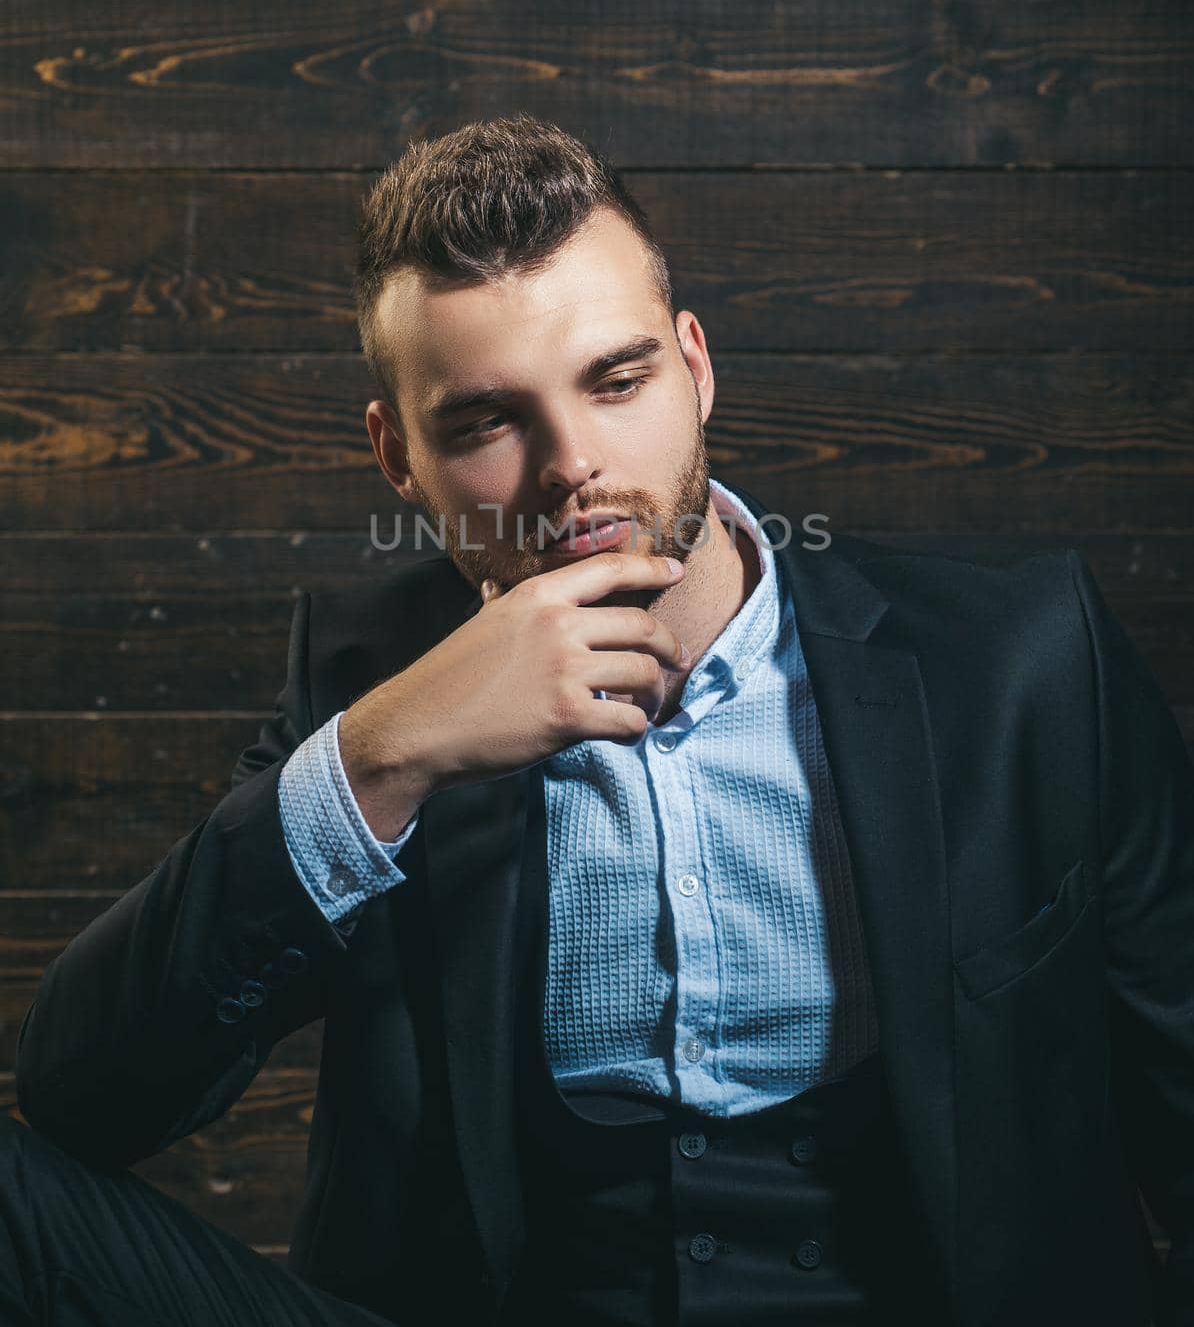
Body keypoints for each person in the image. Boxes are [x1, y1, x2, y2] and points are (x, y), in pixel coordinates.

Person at [5, 114, 1192, 1327]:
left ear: (695, 365)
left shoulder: (1018, 659)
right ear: (397, 458)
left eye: (616, 381)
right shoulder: (369, 687)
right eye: (483, 421)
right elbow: (81, 1095)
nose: (573, 464)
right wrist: (379, 756)